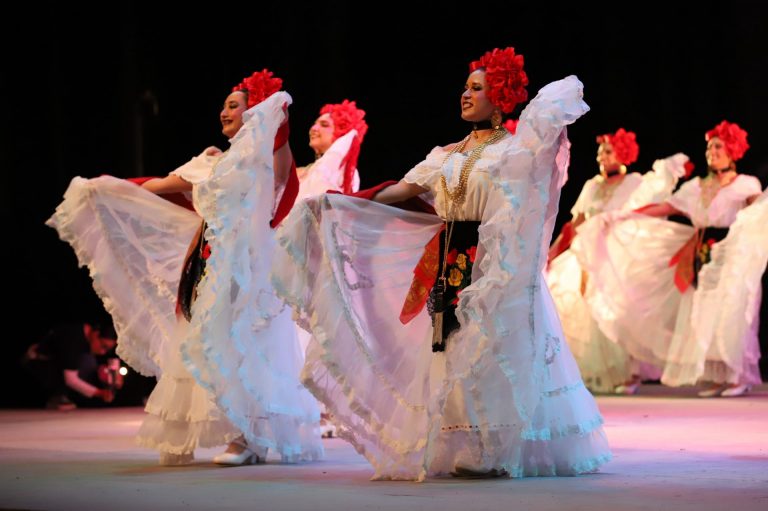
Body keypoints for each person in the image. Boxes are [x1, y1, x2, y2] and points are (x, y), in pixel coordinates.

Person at [272, 47, 611, 480]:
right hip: (449, 261)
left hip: (494, 261)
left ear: (500, 96)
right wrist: (338, 203)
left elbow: (530, 198)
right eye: (465, 87)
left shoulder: (513, 153)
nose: (465, 94)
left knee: (490, 347)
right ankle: (464, 442)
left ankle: (496, 446)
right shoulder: (445, 155)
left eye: (477, 88)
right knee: (451, 351)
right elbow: (400, 190)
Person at [47, 69, 322, 465]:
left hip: (250, 266)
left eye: (234, 106)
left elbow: (282, 175)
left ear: (254, 113)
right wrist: (106, 188)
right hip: (207, 265)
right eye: (224, 106)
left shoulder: (266, 160)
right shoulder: (210, 162)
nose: (223, 112)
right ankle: (185, 434)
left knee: (243, 344)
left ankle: (247, 439)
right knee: (197, 342)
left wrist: (277, 116)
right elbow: (157, 185)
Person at [575, 120, 763, 397]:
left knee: (730, 311)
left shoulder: (745, 184)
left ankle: (737, 376)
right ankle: (717, 376)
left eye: (718, 147)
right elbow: (666, 207)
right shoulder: (697, 186)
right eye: (709, 147)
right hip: (698, 252)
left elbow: (758, 213)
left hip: (731, 252)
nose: (712, 152)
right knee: (703, 312)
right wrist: (624, 215)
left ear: (733, 151)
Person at [546, 129, 691, 394]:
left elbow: (643, 210)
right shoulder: (592, 185)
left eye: (608, 151)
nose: (602, 156)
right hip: (586, 254)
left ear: (622, 154)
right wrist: (551, 253)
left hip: (617, 256)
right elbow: (575, 224)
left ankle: (629, 373)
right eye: (600, 152)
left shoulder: (634, 182)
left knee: (618, 308)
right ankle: (595, 374)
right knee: (584, 311)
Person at [23, 320, 121, 409]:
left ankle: (61, 395)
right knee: (87, 362)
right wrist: (100, 393)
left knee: (89, 362)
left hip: (55, 363)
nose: (103, 352)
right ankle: (57, 395)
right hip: (37, 364)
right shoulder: (74, 340)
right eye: (103, 346)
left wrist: (110, 375)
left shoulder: (87, 336)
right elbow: (70, 379)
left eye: (107, 350)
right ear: (96, 334)